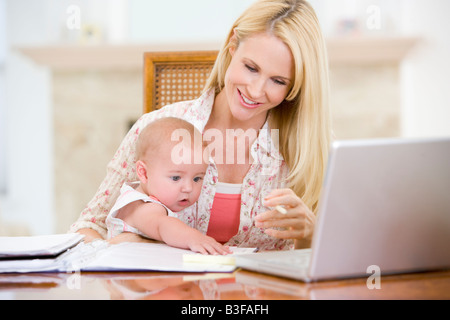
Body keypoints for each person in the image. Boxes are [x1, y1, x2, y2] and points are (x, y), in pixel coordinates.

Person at [70, 0, 331, 251]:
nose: (255, 90)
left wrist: (311, 232)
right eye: (251, 68)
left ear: (295, 87)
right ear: (232, 47)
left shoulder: (305, 150)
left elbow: (320, 265)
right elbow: (88, 227)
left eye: (278, 81)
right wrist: (124, 250)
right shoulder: (155, 127)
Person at [105, 117, 230, 255]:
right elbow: (161, 225)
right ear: (144, 173)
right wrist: (193, 237)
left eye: (197, 178)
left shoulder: (158, 199)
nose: (188, 188)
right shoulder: (141, 205)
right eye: (176, 178)